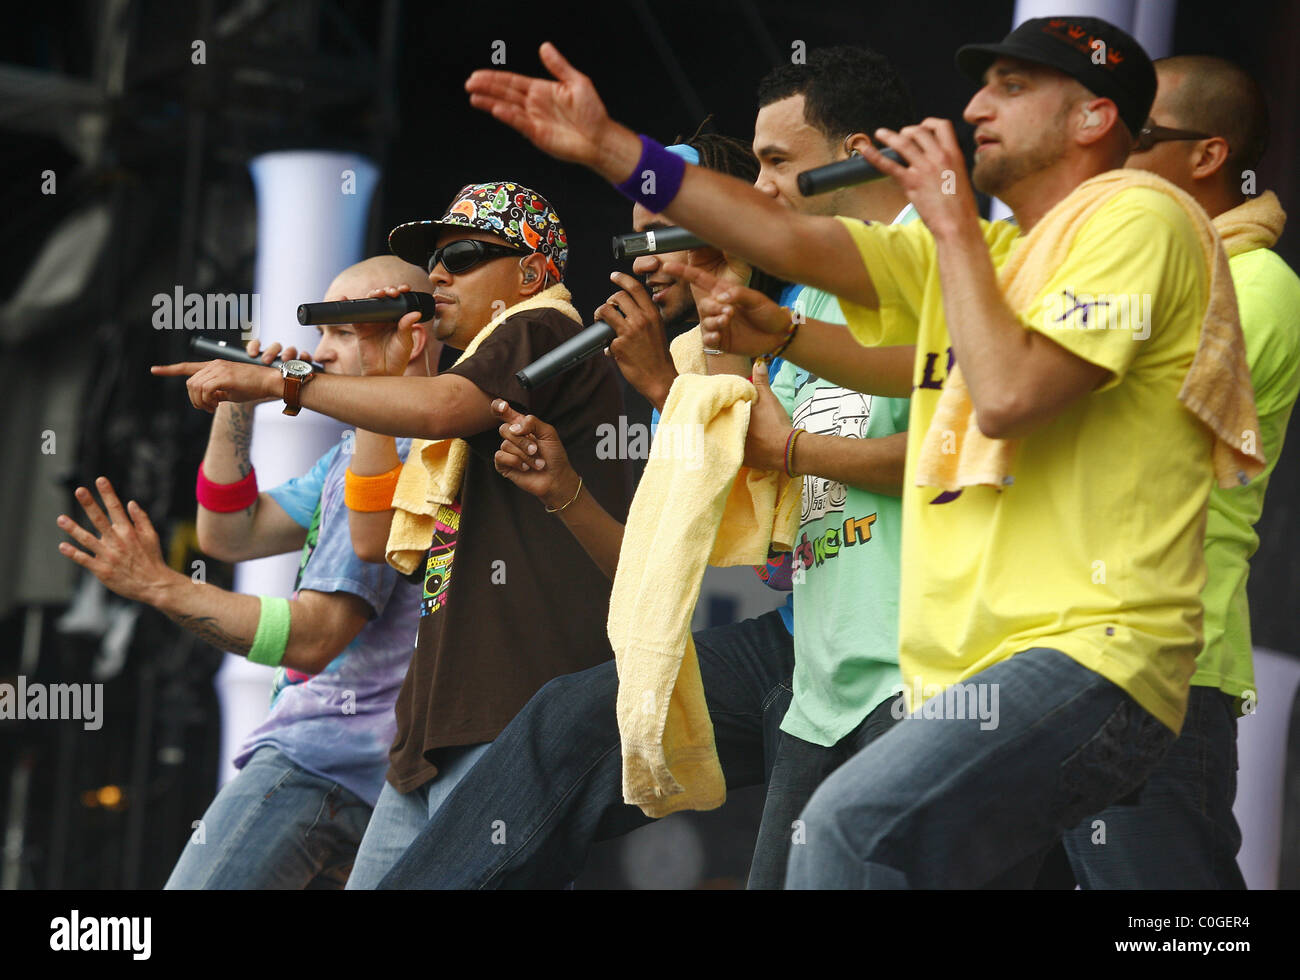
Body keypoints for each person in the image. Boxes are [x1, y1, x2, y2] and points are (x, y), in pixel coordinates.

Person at [463, 15, 1263, 889]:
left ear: (1094, 118)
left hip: (1096, 654)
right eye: (982, 83)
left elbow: (1006, 396)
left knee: (854, 831)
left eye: (1013, 87)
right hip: (977, 668)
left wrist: (948, 224)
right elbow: (801, 244)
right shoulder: (1009, 255)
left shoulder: (1137, 217)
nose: (975, 107)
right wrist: (621, 153)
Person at [377, 47, 918, 890]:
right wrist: (569, 489)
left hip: (911, 652)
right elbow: (693, 548)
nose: (645, 253)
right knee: (567, 724)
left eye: (664, 227)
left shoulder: (873, 283)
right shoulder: (772, 324)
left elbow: (935, 455)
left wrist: (685, 382)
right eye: (637, 232)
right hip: (805, 647)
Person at [153, 181, 631, 888]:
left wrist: (284, 386)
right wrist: (352, 387)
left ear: (531, 273)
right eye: (435, 260)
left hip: (510, 712)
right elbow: (374, 537)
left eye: (463, 255)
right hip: (431, 729)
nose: (439, 274)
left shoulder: (545, 330)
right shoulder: (449, 409)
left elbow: (442, 406)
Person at [55, 255, 432, 888]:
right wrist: (241, 402)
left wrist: (160, 585)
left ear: (411, 336)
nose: (322, 353)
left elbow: (315, 637)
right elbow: (230, 532)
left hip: (322, 762)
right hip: (381, 777)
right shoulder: (361, 449)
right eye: (320, 332)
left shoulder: (393, 448)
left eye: (344, 332)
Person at [1062, 54, 1300, 889]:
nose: (1104, 152)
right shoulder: (1142, 270)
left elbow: (1114, 440)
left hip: (1168, 668)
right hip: (1067, 662)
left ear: (1207, 156)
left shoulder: (1258, 286)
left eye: (1135, 135)